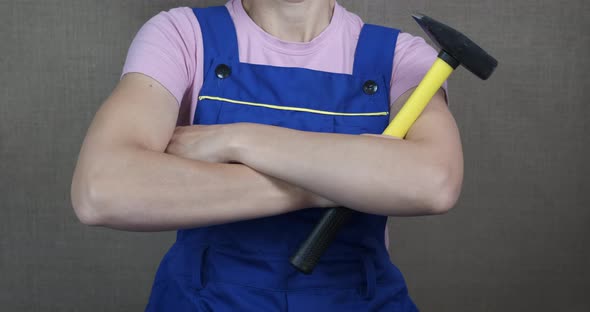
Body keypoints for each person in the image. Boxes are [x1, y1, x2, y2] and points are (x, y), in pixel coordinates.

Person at [71, 0, 463, 310]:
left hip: (358, 301)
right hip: (202, 301)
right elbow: (102, 189)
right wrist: (345, 184)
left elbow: (434, 183)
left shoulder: (401, 57)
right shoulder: (181, 35)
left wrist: (239, 140)